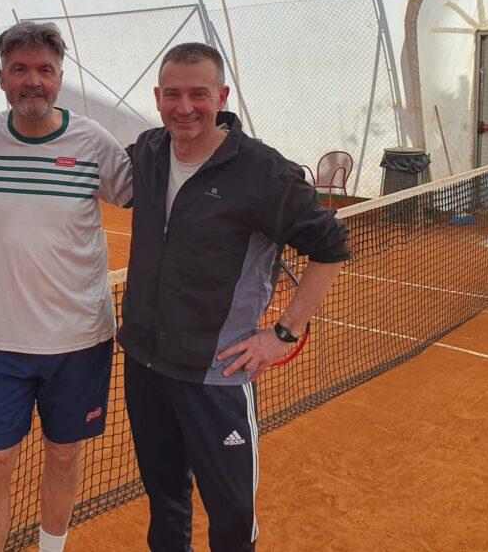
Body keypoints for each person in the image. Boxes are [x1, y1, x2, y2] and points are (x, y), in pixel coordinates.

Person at [118, 42, 351, 551]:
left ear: (222, 97)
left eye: (198, 94)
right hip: (145, 365)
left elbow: (331, 246)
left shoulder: (263, 172)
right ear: (157, 98)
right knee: (165, 501)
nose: (184, 107)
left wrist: (283, 333)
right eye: (172, 94)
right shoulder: (149, 152)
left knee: (230, 517)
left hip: (216, 374)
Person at [0, 22, 133, 552]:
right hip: (3, 344)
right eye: (20, 69)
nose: (33, 80)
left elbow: (149, 189)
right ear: (2, 77)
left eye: (44, 70)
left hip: (81, 341)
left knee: (64, 455)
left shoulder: (92, 142)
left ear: (59, 78)